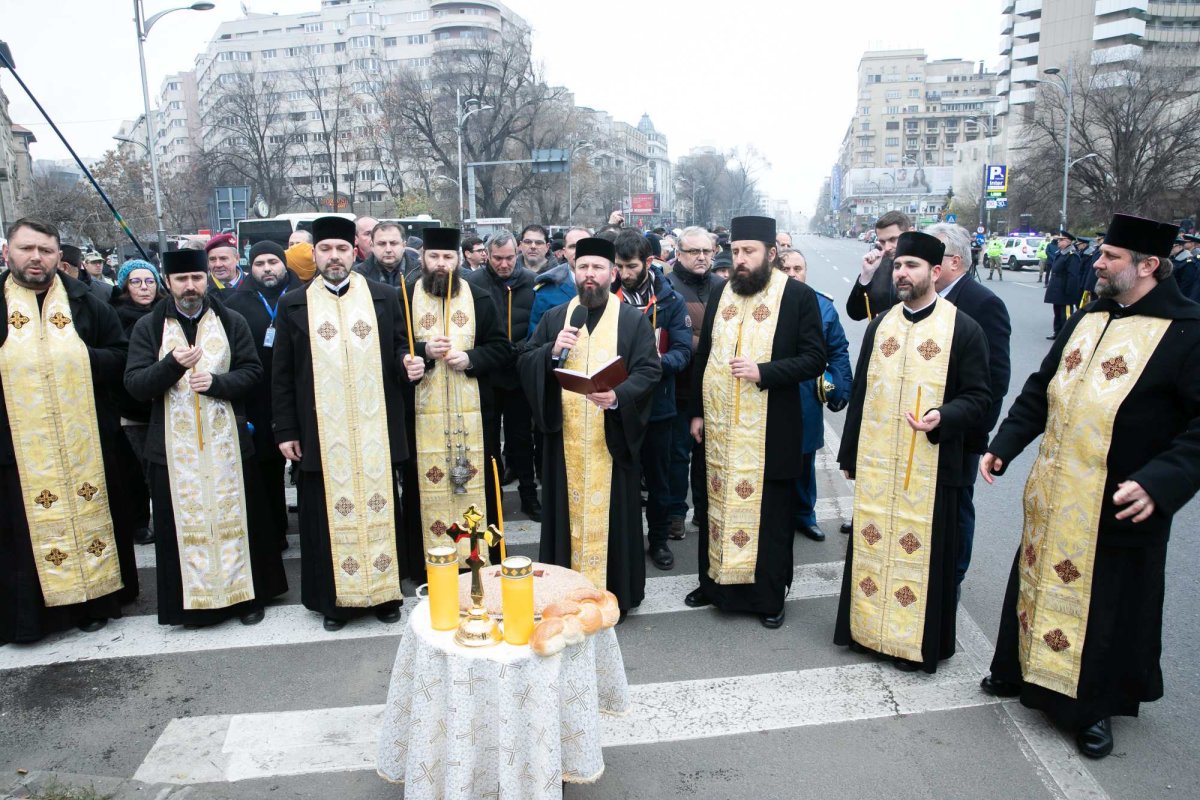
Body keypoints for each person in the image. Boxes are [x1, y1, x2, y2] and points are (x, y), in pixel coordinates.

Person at [979, 213, 1200, 760]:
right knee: (1035, 580)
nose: (1097, 263)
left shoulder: (1188, 331)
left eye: (1110, 257)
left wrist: (1161, 482)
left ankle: (1095, 708)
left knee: (1108, 605)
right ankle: (1020, 671)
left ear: (1148, 266)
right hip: (1056, 491)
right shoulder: (1090, 316)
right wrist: (1004, 444)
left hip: (1122, 498)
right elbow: (1042, 387)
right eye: (1099, 254)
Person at [834, 231, 991, 671]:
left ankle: (910, 643)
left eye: (913, 267)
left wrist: (945, 415)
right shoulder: (882, 323)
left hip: (930, 466)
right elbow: (863, 391)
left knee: (916, 554)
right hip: (880, 464)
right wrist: (849, 455)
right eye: (898, 266)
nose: (902, 274)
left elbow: (980, 396)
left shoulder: (962, 327)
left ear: (936, 273)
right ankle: (868, 631)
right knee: (872, 545)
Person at [271, 216, 424, 631]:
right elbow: (282, 374)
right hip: (321, 434)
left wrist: (408, 364)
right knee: (324, 515)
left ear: (354, 253)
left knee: (380, 507)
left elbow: (397, 349)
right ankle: (333, 603)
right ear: (315, 255)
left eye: (341, 249)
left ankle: (384, 593)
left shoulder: (384, 297)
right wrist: (285, 430)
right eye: (325, 250)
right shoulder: (294, 304)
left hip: (374, 432)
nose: (334, 257)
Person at [124, 248, 287, 627]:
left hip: (227, 444)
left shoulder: (230, 320)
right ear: (169, 283)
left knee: (241, 523)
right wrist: (171, 366)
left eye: (197, 278)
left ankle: (248, 598)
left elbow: (252, 371)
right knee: (182, 529)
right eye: (182, 280)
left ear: (205, 279)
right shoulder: (149, 328)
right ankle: (193, 606)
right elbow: (134, 385)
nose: (190, 286)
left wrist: (217, 383)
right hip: (172, 453)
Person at [684, 216, 827, 629]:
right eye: (736, 252)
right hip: (719, 428)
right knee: (714, 507)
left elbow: (815, 358)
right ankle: (712, 584)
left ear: (771, 254)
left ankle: (769, 597)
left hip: (771, 429)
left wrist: (764, 371)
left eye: (750, 252)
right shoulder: (721, 292)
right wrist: (696, 410)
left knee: (771, 516)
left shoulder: (798, 296)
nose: (740, 260)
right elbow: (704, 355)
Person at [0, 219, 131, 643]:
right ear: (8, 253)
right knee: (18, 534)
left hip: (84, 443)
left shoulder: (87, 303)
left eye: (45, 250)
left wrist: (78, 357)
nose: (35, 258)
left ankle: (91, 603)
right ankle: (26, 617)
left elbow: (120, 356)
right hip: (15, 447)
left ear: (59, 257)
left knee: (89, 521)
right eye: (26, 249)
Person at [518, 237, 661, 614]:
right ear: (574, 272)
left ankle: (617, 594)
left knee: (615, 518)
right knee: (563, 514)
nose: (590, 275)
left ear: (612, 274)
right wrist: (549, 351)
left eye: (598, 268)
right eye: (583, 268)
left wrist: (618, 397)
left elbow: (650, 370)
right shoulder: (556, 317)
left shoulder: (631, 319)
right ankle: (565, 593)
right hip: (565, 442)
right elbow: (525, 359)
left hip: (610, 440)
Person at [399, 228, 511, 578]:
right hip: (420, 419)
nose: (442, 264)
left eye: (448, 258)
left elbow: (502, 349)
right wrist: (420, 354)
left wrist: (471, 357)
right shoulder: (403, 296)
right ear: (423, 259)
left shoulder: (478, 297)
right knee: (421, 486)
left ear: (459, 260)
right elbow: (394, 351)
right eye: (435, 257)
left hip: (475, 417)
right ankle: (426, 567)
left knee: (478, 489)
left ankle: (475, 563)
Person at [925, 223, 1012, 588]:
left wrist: (974, 434)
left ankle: (952, 578)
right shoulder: (924, 300)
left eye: (932, 257)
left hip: (959, 433)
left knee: (956, 508)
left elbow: (995, 379)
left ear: (954, 262)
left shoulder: (983, 304)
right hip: (923, 429)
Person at [613, 229, 692, 570]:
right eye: (619, 266)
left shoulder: (670, 300)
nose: (625, 274)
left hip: (659, 408)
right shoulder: (608, 295)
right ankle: (624, 540)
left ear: (648, 262)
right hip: (617, 405)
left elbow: (683, 352)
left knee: (659, 481)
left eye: (631, 266)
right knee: (622, 479)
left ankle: (658, 541)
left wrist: (653, 365)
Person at [223, 241, 303, 547]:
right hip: (257, 395)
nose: (267, 268)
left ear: (284, 264)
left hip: (299, 392)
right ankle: (275, 529)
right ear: (250, 268)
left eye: (273, 261)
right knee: (266, 466)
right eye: (259, 263)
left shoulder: (303, 296)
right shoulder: (234, 304)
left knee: (304, 462)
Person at [464, 231, 541, 520]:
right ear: (487, 255)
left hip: (520, 374)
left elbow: (539, 325)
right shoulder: (472, 283)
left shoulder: (532, 283)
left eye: (509, 258)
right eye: (497, 258)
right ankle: (491, 497)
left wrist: (522, 349)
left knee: (522, 440)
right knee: (488, 441)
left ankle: (529, 495)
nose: (504, 264)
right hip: (486, 374)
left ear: (517, 252)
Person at [778, 248, 852, 543]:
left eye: (798, 268)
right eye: (786, 269)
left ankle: (804, 515)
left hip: (805, 394)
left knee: (804, 458)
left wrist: (839, 387)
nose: (793, 274)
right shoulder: (764, 306)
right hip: (769, 391)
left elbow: (838, 351)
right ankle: (775, 516)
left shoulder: (823, 306)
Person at [665, 226, 724, 540]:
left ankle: (705, 511)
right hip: (679, 387)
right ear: (678, 254)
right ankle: (676, 514)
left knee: (709, 455)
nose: (701, 257)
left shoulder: (723, 286)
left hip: (715, 388)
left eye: (706, 252)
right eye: (693, 251)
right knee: (677, 455)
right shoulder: (666, 286)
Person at [111, 259, 164, 547]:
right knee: (140, 472)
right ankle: (141, 523)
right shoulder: (116, 316)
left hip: (166, 407)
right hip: (133, 410)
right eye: (136, 281)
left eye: (149, 281)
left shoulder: (167, 313)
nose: (144, 288)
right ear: (125, 286)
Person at [846, 210, 911, 321]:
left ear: (911, 233)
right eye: (882, 242)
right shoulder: (878, 266)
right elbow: (855, 313)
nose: (887, 247)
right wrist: (866, 276)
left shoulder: (927, 267)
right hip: (881, 336)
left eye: (892, 239)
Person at [529, 227, 587, 332]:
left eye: (584, 245)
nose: (578, 251)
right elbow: (535, 343)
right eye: (573, 246)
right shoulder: (546, 291)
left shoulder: (608, 286)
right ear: (564, 252)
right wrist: (554, 347)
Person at [354, 222, 415, 289]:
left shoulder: (420, 273)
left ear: (404, 246)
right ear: (372, 246)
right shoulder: (357, 275)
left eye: (393, 243)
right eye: (382, 244)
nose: (388, 250)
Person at [1044, 232, 1081, 339]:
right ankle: (1057, 332)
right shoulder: (1061, 252)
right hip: (1057, 288)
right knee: (1057, 312)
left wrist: (1069, 291)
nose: (1058, 242)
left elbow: (1073, 275)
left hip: (1065, 288)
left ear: (1068, 241)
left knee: (1066, 314)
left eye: (1061, 240)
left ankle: (1066, 335)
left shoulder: (1072, 255)